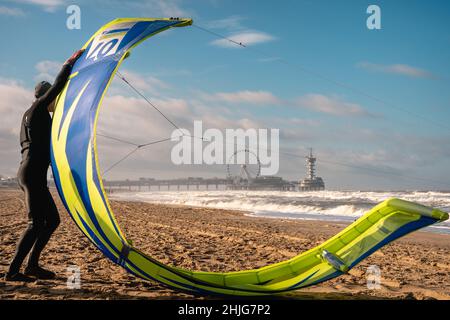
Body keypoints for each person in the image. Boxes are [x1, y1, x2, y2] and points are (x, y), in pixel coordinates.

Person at [5, 49, 84, 282]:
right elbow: (59, 84)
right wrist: (70, 63)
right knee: (35, 223)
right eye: (52, 96)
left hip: (32, 172)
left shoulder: (30, 114)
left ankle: (32, 266)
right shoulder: (39, 108)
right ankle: (12, 272)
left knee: (52, 220)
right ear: (46, 96)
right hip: (31, 173)